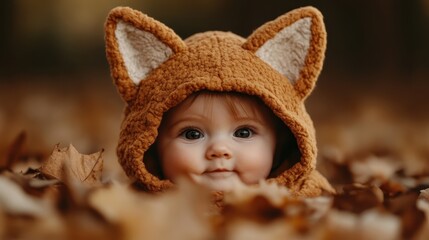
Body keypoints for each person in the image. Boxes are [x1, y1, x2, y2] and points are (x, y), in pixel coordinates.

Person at [104, 6, 334, 196]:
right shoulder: (136, 207)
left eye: (243, 132)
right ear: (151, 147)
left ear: (281, 141)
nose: (219, 150)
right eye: (192, 134)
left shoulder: (308, 198)